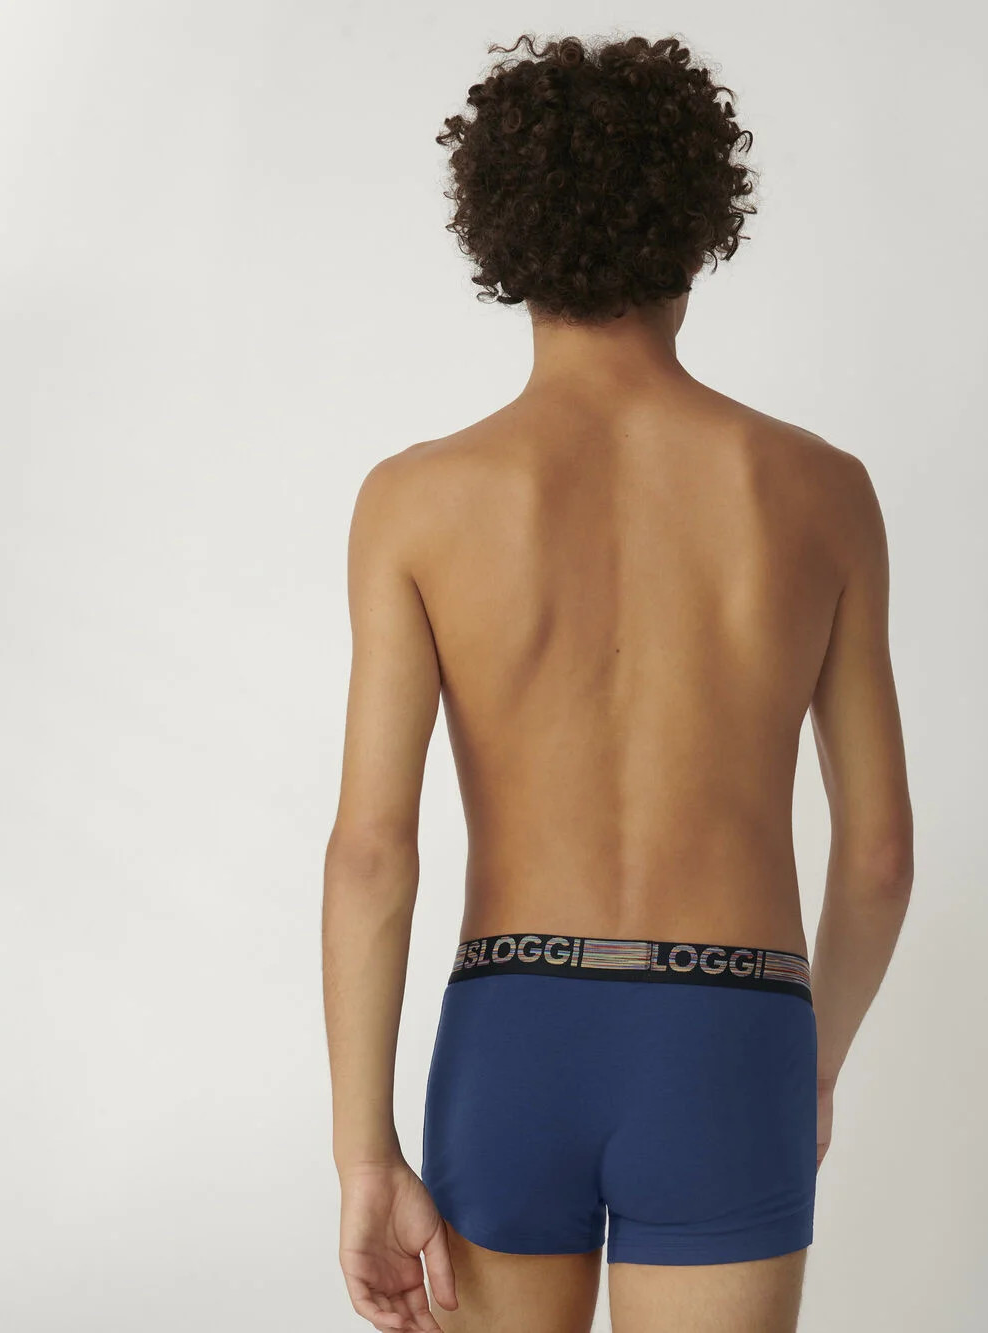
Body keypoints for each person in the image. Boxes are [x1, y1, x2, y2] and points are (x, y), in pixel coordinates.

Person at [322, 32, 913, 1333]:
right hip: (733, 1028)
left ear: (505, 240)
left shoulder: (417, 501)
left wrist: (365, 1153)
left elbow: (371, 851)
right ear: (696, 233)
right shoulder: (822, 492)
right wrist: (804, 1065)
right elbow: (876, 857)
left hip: (512, 1026)